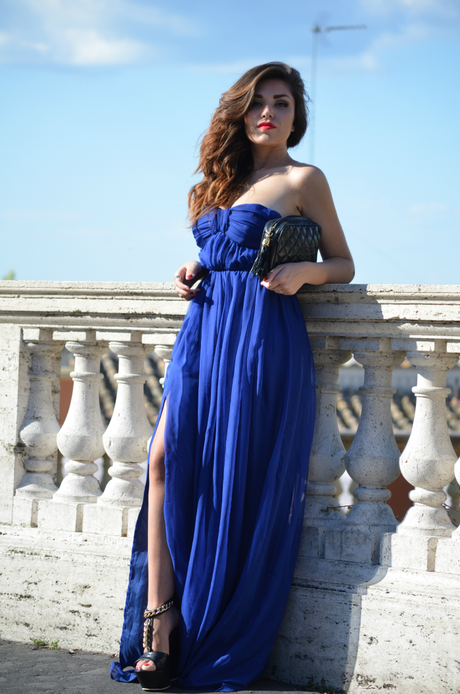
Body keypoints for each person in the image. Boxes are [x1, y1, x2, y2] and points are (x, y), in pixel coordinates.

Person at [111, 61, 354, 692]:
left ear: (297, 116)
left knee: (231, 476)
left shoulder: (305, 177)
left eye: (282, 103)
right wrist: (193, 268)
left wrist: (306, 274)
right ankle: (159, 623)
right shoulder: (220, 183)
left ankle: (191, 628)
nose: (269, 113)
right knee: (163, 460)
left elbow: (343, 262)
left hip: (260, 337)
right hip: (205, 332)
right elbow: (224, 248)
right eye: (257, 103)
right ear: (239, 114)